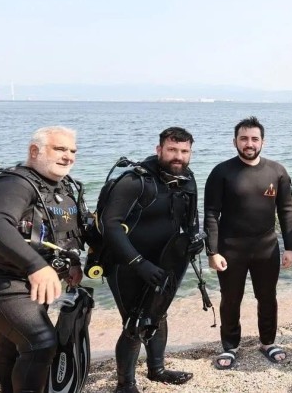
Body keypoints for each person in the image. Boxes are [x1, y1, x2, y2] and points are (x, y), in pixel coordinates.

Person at [0, 126, 86, 393]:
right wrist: (36, 266)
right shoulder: (14, 183)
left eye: (72, 150)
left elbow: (63, 232)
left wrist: (73, 263)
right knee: (40, 342)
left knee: (13, 343)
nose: (68, 156)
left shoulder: (62, 187)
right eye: (60, 149)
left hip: (32, 281)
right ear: (35, 151)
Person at [101, 127, 199, 392]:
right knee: (134, 323)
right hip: (127, 263)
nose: (178, 156)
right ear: (159, 150)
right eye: (172, 150)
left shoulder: (187, 179)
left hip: (165, 261)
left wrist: (194, 239)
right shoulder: (135, 181)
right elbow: (110, 224)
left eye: (184, 151)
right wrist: (138, 263)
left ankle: (157, 370)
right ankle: (125, 385)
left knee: (158, 313)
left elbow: (190, 219)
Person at [205, 116, 292, 369]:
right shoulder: (221, 172)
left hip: (266, 247)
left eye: (254, 139)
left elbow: (286, 210)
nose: (249, 143)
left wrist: (290, 247)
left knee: (267, 297)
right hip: (230, 248)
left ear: (262, 142)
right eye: (244, 138)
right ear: (234, 141)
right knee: (230, 298)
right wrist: (212, 251)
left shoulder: (277, 171)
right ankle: (230, 346)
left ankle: (268, 342)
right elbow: (211, 213)